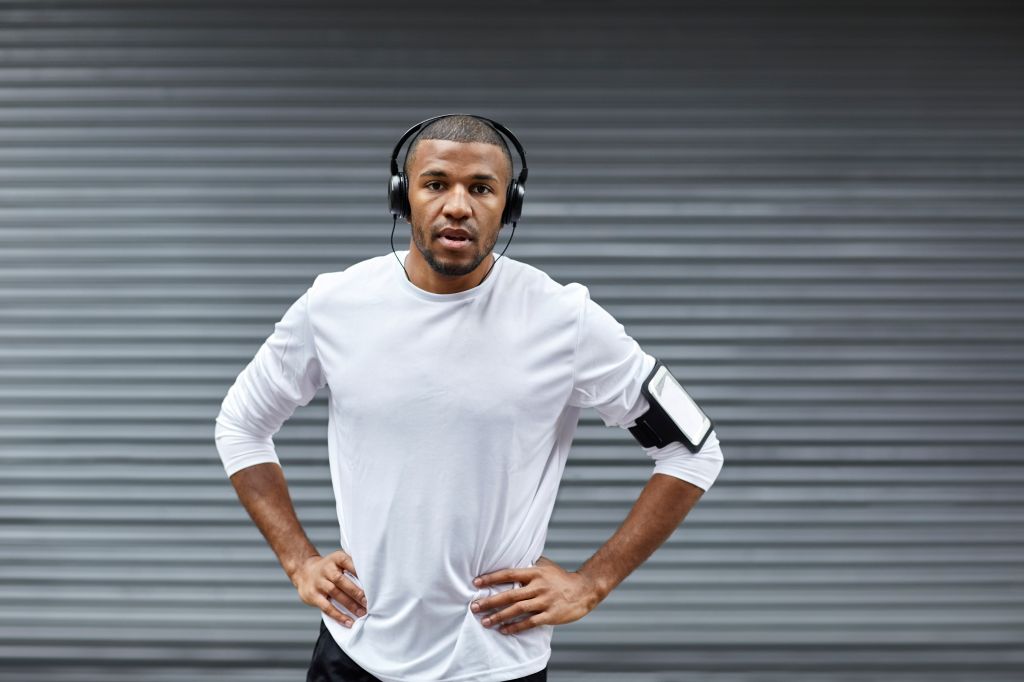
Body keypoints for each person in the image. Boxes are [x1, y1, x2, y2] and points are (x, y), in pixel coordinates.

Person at [214, 114, 725, 682]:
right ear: (402, 197)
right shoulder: (334, 304)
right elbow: (241, 423)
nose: (457, 205)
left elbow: (693, 449)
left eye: (481, 188)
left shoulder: (564, 318)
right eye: (435, 184)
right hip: (354, 653)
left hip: (494, 663)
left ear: (509, 206)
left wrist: (593, 582)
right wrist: (297, 559)